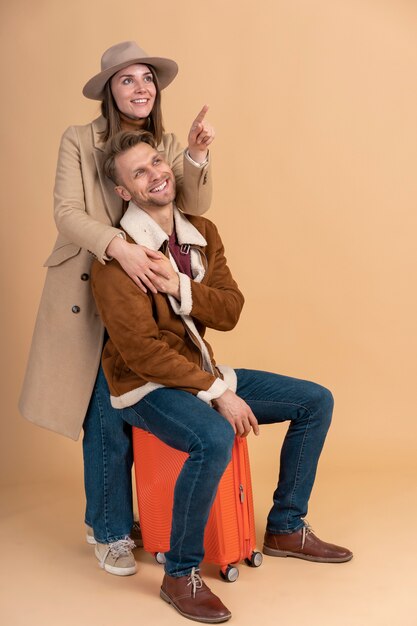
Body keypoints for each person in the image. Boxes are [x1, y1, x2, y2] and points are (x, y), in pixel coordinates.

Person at [90, 130, 353, 623]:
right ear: (124, 192)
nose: (156, 174)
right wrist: (217, 394)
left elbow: (230, 310)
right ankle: (180, 574)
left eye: (156, 162)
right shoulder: (116, 258)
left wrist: (181, 286)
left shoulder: (203, 232)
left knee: (316, 401)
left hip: (200, 370)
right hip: (143, 386)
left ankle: (285, 527)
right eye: (138, 173)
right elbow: (142, 352)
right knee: (212, 434)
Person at [18, 41, 215, 575]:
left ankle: (127, 518)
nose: (141, 88)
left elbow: (189, 207)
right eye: (127, 79)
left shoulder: (167, 142)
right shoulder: (80, 141)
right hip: (90, 288)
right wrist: (119, 247)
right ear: (110, 89)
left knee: (139, 406)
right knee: (104, 414)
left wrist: (194, 156)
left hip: (146, 294)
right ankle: (108, 529)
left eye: (147, 78)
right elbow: (66, 212)